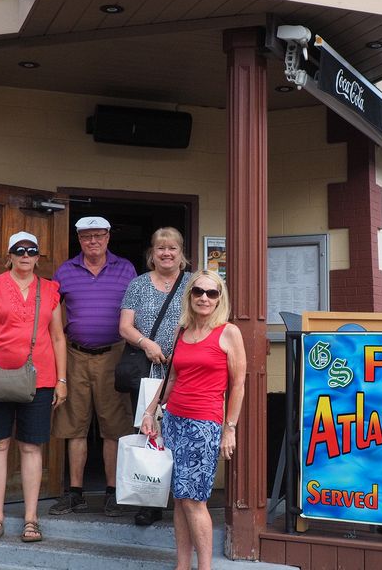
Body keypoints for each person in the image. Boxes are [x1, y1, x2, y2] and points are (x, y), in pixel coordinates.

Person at [140, 270, 246, 570]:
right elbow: (172, 376)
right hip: (174, 419)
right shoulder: (181, 330)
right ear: (190, 296)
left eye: (211, 293)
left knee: (194, 499)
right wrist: (150, 412)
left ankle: (205, 568)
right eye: (198, 291)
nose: (204, 298)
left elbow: (238, 384)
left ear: (219, 298)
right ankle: (182, 565)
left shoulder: (228, 333)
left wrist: (230, 428)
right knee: (179, 497)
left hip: (205, 424)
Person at [0, 231, 67, 543]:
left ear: (38, 257)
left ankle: (31, 519)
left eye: (31, 250)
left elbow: (58, 337)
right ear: (9, 255)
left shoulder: (50, 290)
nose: (25, 255)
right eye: (19, 250)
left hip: (40, 380)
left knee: (31, 446)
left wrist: (62, 380)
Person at [50, 216, 137, 516]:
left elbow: (139, 311)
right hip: (75, 355)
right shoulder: (65, 270)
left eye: (99, 235)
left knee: (113, 428)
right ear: (79, 239)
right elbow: (49, 312)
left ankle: (113, 493)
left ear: (108, 237)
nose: (93, 242)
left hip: (115, 354)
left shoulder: (126, 269)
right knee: (75, 427)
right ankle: (75, 493)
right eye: (87, 237)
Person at [119, 227, 191, 526]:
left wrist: (181, 351)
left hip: (184, 370)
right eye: (161, 248)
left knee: (180, 431)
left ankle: (182, 500)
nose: (166, 253)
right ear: (152, 252)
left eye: (172, 248)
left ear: (181, 252)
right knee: (150, 433)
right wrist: (147, 344)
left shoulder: (192, 284)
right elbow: (125, 327)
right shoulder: (137, 284)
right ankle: (150, 501)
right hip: (149, 371)